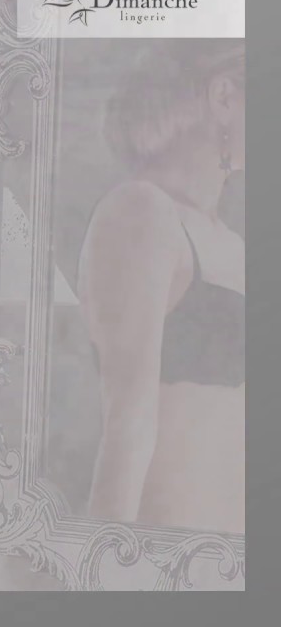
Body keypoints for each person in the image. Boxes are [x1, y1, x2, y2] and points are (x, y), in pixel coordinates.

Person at [79, 39, 245, 534]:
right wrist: (105, 561)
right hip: (165, 547)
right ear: (223, 97)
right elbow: (127, 422)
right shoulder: (142, 211)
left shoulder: (230, 241)